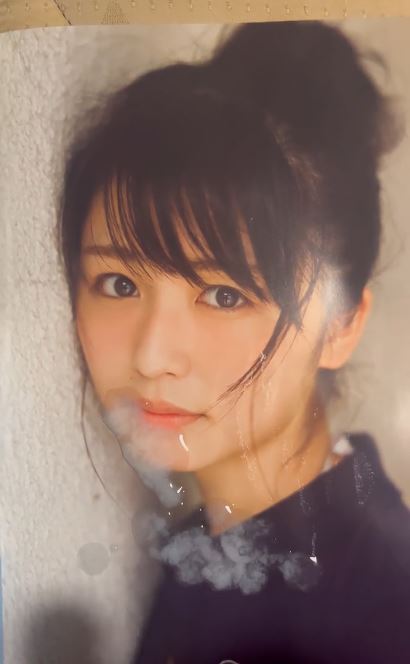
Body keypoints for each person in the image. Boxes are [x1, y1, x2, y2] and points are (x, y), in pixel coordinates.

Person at [59, 20, 410, 664]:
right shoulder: (208, 539)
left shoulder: (383, 612)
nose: (151, 356)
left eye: (225, 295)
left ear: (340, 325)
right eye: (118, 283)